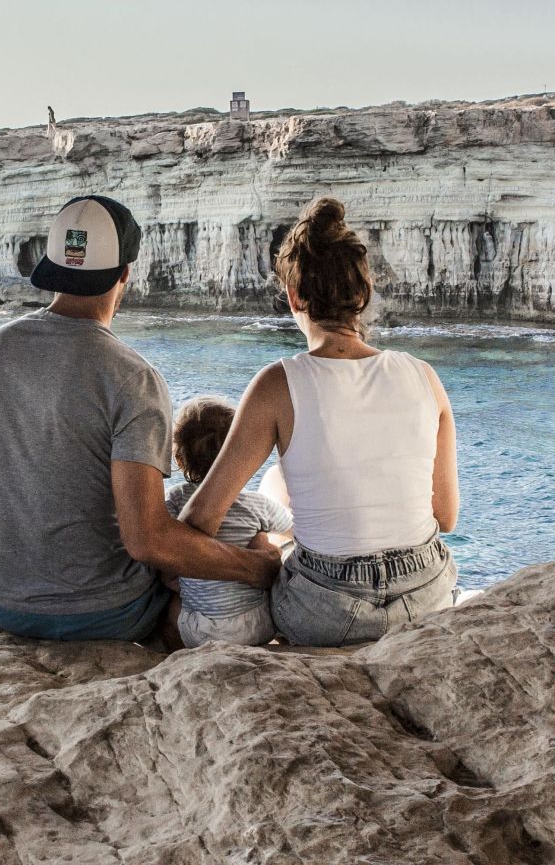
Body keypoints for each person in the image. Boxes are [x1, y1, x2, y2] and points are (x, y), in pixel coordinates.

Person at [0, 194, 278, 645]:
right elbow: (148, 541)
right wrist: (254, 568)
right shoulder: (133, 378)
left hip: (2, 601)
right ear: (126, 272)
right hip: (104, 612)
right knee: (212, 594)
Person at [181, 196, 459, 646]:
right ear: (362, 295)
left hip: (328, 608)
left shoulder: (278, 384)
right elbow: (445, 516)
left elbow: (199, 521)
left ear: (294, 297)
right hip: (427, 594)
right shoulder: (424, 376)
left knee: (278, 493)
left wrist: (263, 558)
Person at [165, 397, 293, 648]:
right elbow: (294, 530)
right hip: (259, 625)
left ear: (179, 460)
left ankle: (174, 654)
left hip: (201, 632)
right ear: (240, 456)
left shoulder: (175, 498)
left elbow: (164, 548)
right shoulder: (257, 504)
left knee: (170, 604)